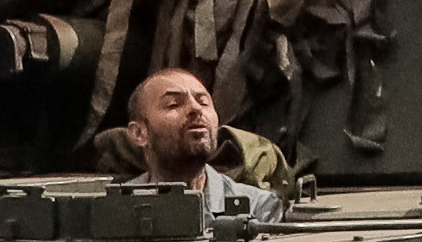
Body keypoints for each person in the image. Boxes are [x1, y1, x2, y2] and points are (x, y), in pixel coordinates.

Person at [95, 63, 286, 195]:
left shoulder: (259, 210)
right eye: (173, 104)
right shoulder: (116, 210)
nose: (195, 109)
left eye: (203, 102)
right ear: (139, 133)